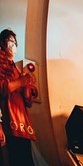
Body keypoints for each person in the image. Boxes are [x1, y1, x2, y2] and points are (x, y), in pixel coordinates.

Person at [0, 29, 38, 165]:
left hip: (22, 124)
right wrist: (21, 82)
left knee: (26, 159)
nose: (13, 45)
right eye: (10, 41)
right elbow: (3, 88)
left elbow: (27, 102)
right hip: (10, 122)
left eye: (14, 42)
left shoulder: (16, 69)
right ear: (2, 44)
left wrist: (27, 89)